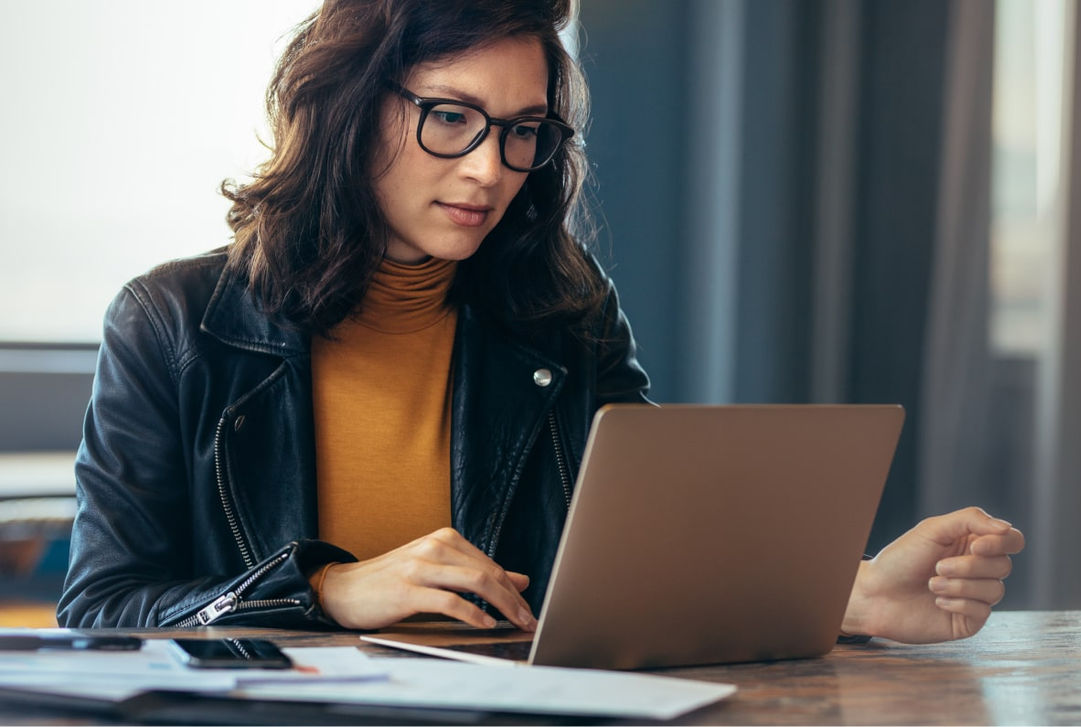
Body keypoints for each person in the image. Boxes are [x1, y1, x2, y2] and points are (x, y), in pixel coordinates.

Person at [57, 0, 1024, 644]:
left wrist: (848, 594)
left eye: (524, 130)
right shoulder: (174, 323)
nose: (489, 168)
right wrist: (324, 591)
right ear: (349, 107)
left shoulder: (564, 308)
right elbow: (99, 610)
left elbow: (652, 557)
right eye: (450, 117)